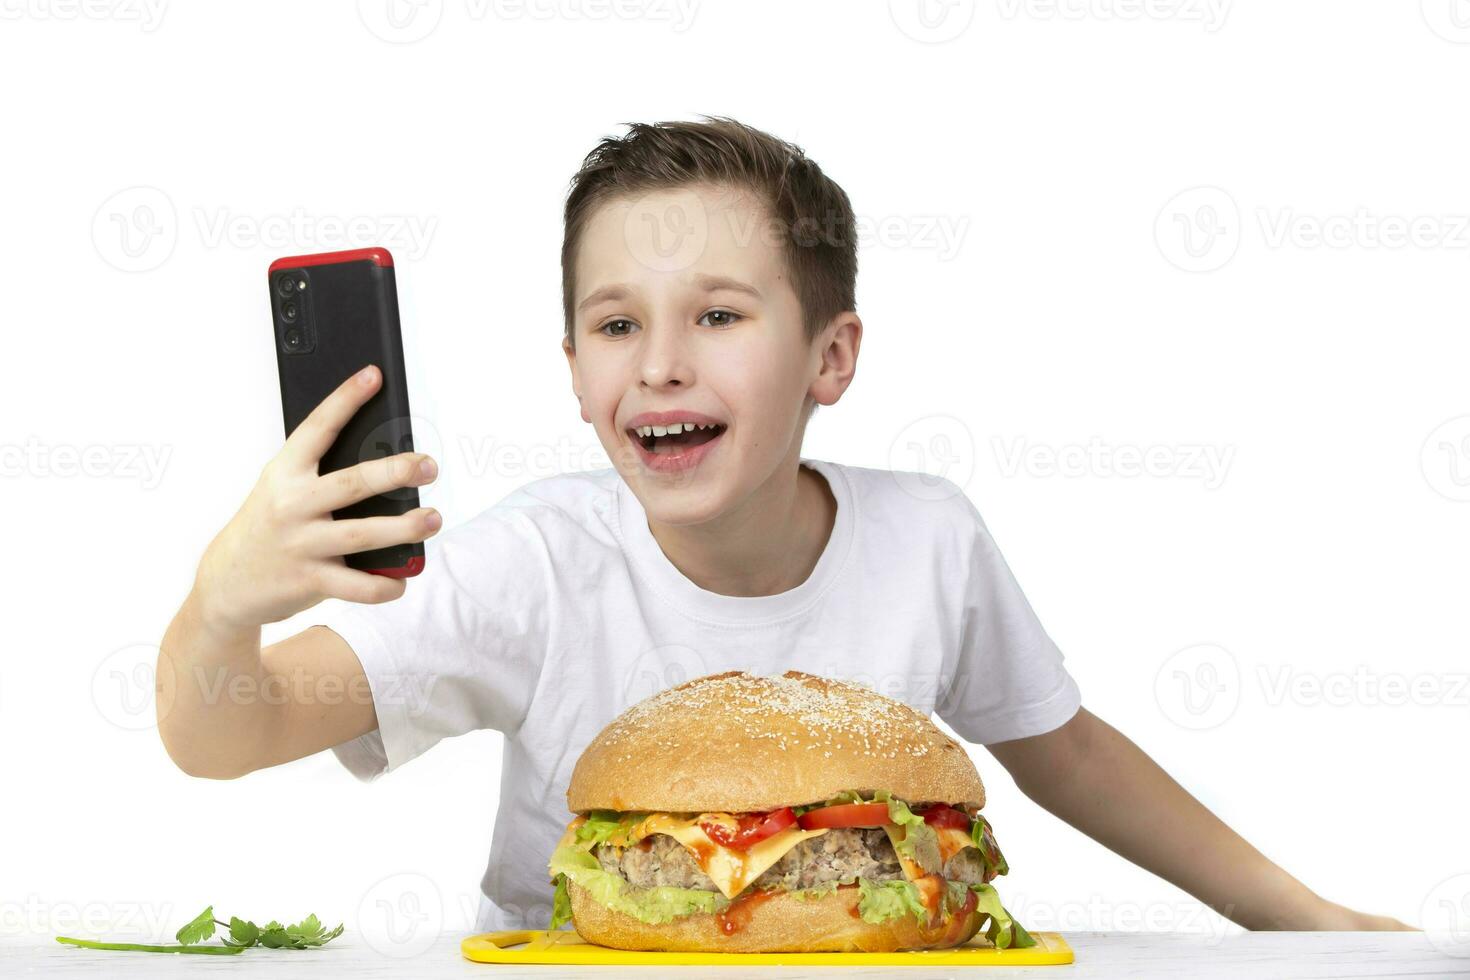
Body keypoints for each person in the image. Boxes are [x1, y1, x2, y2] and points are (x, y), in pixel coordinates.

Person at [158, 117, 1413, 934]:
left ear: (831, 354)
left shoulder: (929, 541)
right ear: (572, 365)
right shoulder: (535, 563)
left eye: (716, 315)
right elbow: (227, 732)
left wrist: (1305, 918)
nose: (657, 364)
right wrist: (225, 599)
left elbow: (1067, 753)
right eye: (615, 324)